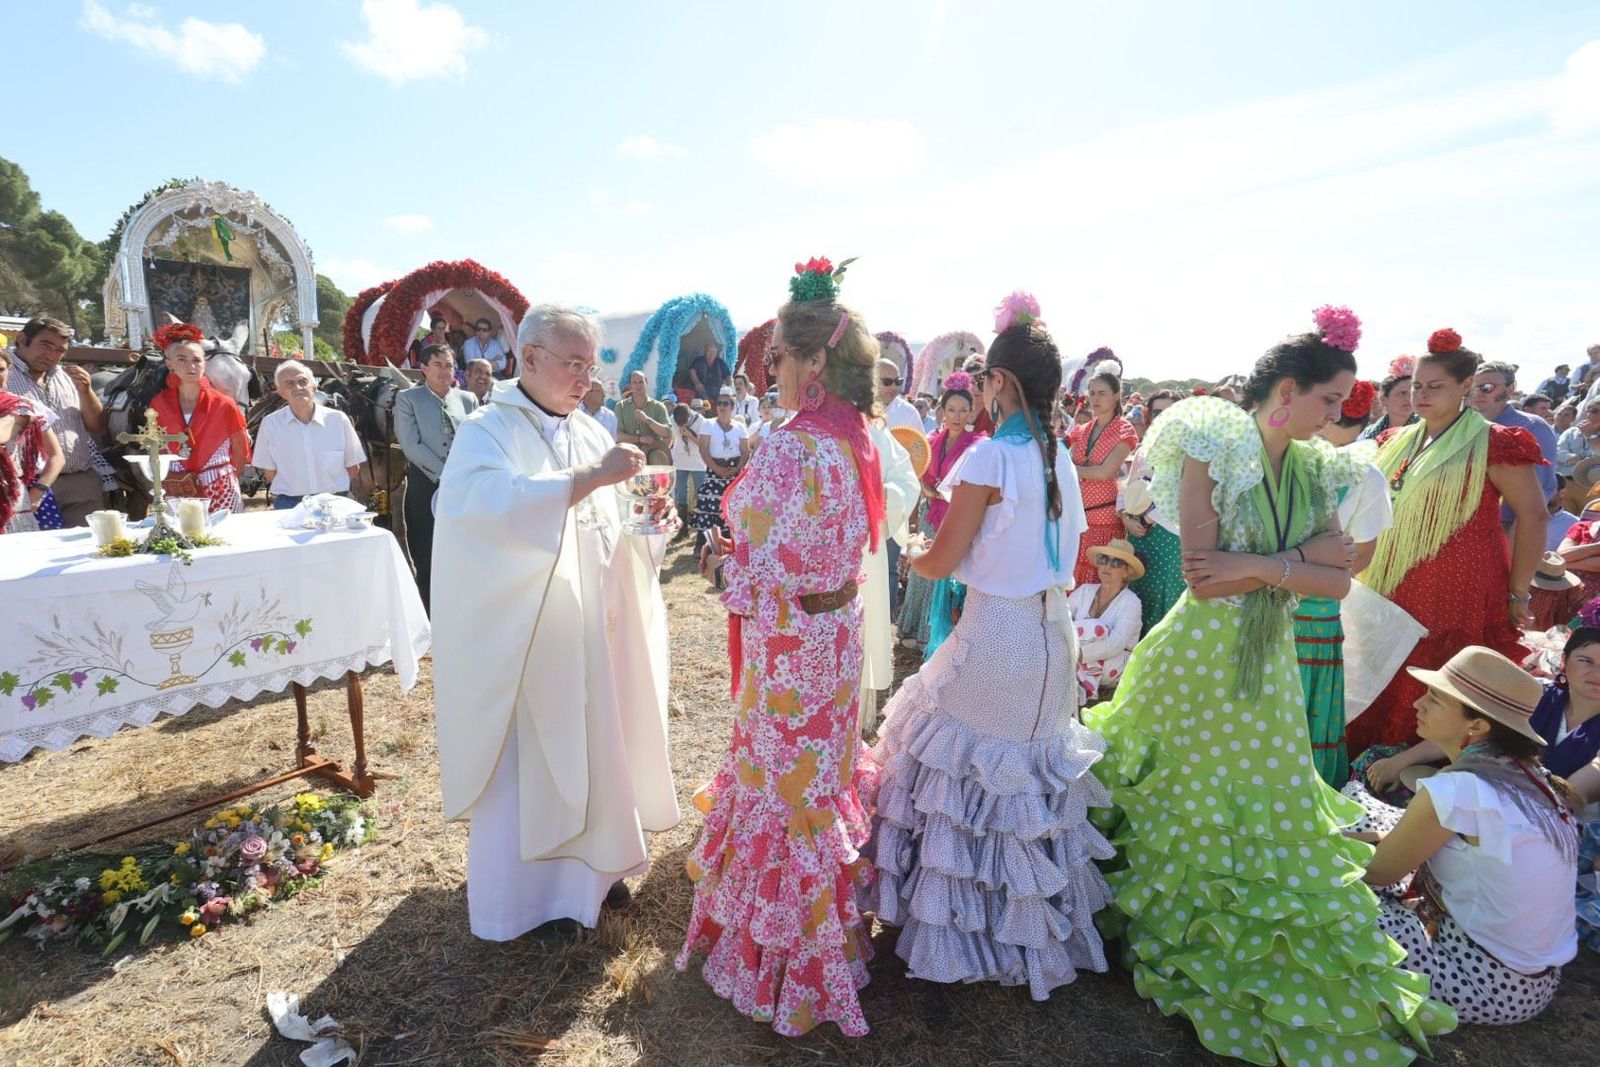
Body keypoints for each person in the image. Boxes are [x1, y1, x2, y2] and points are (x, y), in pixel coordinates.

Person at [1085, 306, 1458, 1063]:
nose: (1341, 413)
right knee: (1178, 794)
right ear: (1287, 388)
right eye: (1331, 399)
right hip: (1196, 661)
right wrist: (1296, 562)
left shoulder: (1324, 467)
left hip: (1268, 670)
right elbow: (1202, 576)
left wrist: (1262, 565)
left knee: (1264, 802)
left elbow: (1337, 581)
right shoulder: (1211, 443)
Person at [866, 292, 1107, 1002]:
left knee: (945, 760)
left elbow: (942, 558)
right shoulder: (1058, 455)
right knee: (1026, 775)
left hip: (998, 631)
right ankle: (1019, 929)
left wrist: (911, 550)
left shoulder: (988, 459)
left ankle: (956, 930)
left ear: (998, 384)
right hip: (1053, 631)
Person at [678, 257, 884, 1037]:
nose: (774, 373)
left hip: (796, 641)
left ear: (816, 361)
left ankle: (781, 963)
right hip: (838, 635)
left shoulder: (793, 445)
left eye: (782, 360)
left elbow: (756, 563)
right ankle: (834, 940)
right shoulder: (856, 437)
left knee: (782, 782)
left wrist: (719, 557)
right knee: (821, 779)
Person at [430, 302, 679, 942]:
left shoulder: (591, 429)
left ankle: (596, 872)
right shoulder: (488, 429)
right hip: (528, 632)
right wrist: (587, 480)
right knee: (533, 763)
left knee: (600, 740)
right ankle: (527, 900)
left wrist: (650, 527)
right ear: (530, 358)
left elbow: (612, 520)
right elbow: (478, 510)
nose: (584, 379)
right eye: (572, 364)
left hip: (594, 624)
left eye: (590, 367)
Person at [1341, 647, 1578, 1025]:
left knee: (1324, 900)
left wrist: (1320, 847)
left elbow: (1376, 873)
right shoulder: (1530, 779)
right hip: (1531, 980)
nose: (1418, 703)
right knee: (1362, 814)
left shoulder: (1459, 791)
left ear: (1478, 726)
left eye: (1434, 698)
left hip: (1484, 978)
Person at [1347, 331, 1547, 763]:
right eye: (1417, 385)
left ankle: (1414, 774)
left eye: (1435, 386)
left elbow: (1534, 517)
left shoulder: (1495, 440)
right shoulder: (1397, 441)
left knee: (1438, 680)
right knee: (1383, 669)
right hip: (1394, 581)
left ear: (1465, 387)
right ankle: (1368, 770)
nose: (1421, 395)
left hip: (1459, 590)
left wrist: (1520, 591)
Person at [1289, 380, 1395, 787]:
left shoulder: (1360, 474)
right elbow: (1361, 557)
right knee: (1305, 716)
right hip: (1317, 606)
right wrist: (1320, 565)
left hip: (1296, 609)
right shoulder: (1363, 475)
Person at [896, 375, 984, 655]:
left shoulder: (979, 445)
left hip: (957, 517)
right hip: (930, 514)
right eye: (951, 410)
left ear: (971, 413)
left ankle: (936, 634)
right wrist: (924, 488)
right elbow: (916, 472)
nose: (957, 416)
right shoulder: (930, 441)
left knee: (945, 576)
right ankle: (912, 630)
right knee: (921, 569)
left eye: (962, 410)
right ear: (942, 412)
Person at [394, 343, 480, 612]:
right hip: (426, 484)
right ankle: (430, 611)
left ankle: (463, 606)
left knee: (465, 546)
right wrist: (447, 475)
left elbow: (477, 440)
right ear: (423, 369)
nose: (445, 371)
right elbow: (411, 445)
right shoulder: (409, 399)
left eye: (449, 365)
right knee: (427, 548)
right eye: (438, 365)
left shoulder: (468, 400)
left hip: (465, 485)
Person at [7, 316, 111, 526]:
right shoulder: (4, 373)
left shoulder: (67, 376)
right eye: (46, 345)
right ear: (21, 338)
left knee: (87, 552)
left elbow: (97, 427)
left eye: (60, 350)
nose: (52, 355)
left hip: (79, 481)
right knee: (34, 553)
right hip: (27, 486)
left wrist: (86, 391)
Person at [148, 322, 251, 514]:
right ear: (168, 363)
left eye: (197, 360)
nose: (191, 366)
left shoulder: (225, 404)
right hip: (178, 488)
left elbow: (240, 448)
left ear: (204, 363)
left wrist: (221, 475)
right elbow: (159, 449)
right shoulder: (158, 405)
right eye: (182, 359)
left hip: (220, 488)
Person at [251, 360, 367, 510]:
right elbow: (269, 473)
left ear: (314, 386)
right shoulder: (271, 425)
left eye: (303, 381)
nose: (298, 387)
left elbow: (353, 467)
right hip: (290, 506)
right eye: (289, 384)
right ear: (281, 393)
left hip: (335, 504)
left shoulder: (338, 420)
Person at [1066, 365, 1138, 586]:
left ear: (1116, 397)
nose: (1095, 398)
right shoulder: (1081, 429)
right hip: (1078, 516)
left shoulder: (1124, 431)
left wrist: (1069, 469)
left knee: (1100, 578)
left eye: (1102, 393)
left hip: (1105, 519)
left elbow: (1104, 472)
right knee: (1074, 579)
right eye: (1092, 393)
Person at [1122, 389, 1184, 634]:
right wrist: (1125, 516)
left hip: (1170, 538)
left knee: (1165, 601)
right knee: (1139, 597)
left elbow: (1188, 497)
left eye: (1170, 411)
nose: (1163, 417)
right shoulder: (1144, 448)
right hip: (1140, 537)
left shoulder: (1190, 451)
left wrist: (1149, 517)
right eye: (1158, 412)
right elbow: (1128, 486)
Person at [1471, 359, 1559, 506]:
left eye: (1487, 387)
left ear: (1510, 389)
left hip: (1508, 523)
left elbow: (1542, 489)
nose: (1478, 393)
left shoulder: (1533, 427)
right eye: (1473, 387)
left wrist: (1516, 528)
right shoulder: (1466, 427)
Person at [1068, 538, 1143, 703]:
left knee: (1096, 629)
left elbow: (1115, 645)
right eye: (1103, 560)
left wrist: (1075, 654)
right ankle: (1078, 682)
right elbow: (1061, 621)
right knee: (1070, 627)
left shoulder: (1131, 602)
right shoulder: (1085, 591)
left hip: (1113, 664)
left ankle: (1075, 680)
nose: (1107, 566)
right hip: (1077, 657)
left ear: (1127, 572)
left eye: (1116, 563)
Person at [0, 355, 65, 533]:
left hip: (9, 497)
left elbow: (56, 456)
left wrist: (37, 493)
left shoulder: (20, 407)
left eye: (1, 369)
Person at [687, 391, 749, 547]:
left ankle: (733, 545)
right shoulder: (708, 424)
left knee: (734, 507)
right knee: (709, 506)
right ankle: (704, 546)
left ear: (732, 407)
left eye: (725, 403)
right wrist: (716, 469)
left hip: (735, 472)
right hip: (714, 471)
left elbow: (746, 451)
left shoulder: (740, 426)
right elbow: (703, 450)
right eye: (719, 403)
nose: (721, 406)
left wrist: (738, 468)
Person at [615, 370, 672, 466]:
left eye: (641, 382)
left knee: (658, 456)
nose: (638, 385)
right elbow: (617, 435)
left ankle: (658, 480)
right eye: (635, 382)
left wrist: (647, 420)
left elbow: (667, 433)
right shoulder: (621, 406)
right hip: (629, 455)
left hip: (653, 451)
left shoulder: (659, 406)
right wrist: (640, 439)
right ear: (630, 386)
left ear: (646, 383)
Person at [1358, 358, 1417, 442]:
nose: (1409, 399)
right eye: (1402, 393)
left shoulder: (1426, 428)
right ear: (1383, 399)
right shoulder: (1369, 434)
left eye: (1412, 393)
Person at [668, 402, 707, 531]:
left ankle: (702, 530)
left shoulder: (701, 421)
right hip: (680, 460)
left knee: (701, 493)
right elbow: (669, 438)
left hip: (698, 461)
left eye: (686, 422)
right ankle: (682, 529)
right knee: (680, 494)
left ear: (690, 414)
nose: (683, 426)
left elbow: (703, 444)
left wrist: (690, 434)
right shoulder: (672, 420)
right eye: (680, 424)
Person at [1556, 398, 1600, 478]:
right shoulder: (1571, 432)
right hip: (1567, 479)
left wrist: (1590, 436)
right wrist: (1572, 458)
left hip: (1594, 483)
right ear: (1586, 413)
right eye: (1595, 411)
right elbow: (1558, 451)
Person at [877, 359, 922, 432]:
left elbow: (919, 443)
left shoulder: (909, 413)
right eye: (887, 382)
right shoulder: (857, 408)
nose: (894, 387)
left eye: (898, 381)